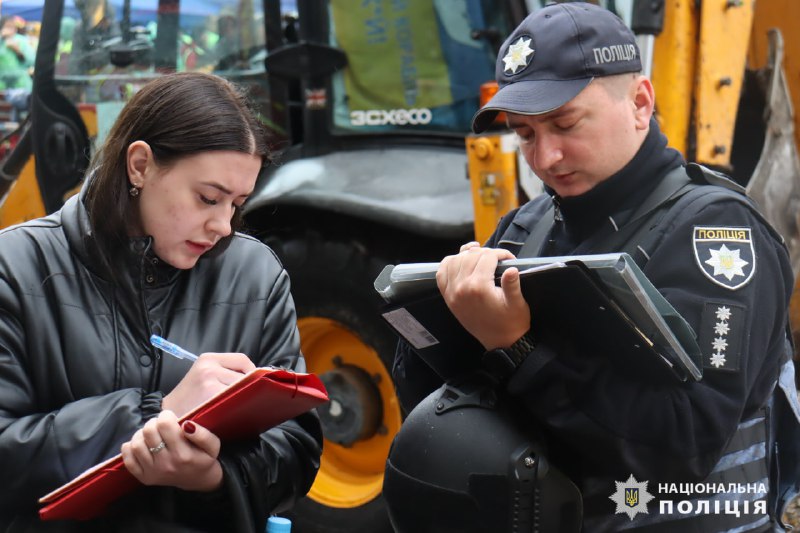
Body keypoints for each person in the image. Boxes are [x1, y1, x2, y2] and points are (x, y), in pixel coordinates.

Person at [388, 2, 800, 532]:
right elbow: (445, 411)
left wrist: (517, 347)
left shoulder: (716, 234)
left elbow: (687, 444)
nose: (546, 158)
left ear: (640, 103)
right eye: (526, 134)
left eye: (565, 123)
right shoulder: (526, 225)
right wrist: (435, 319)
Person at [0, 72, 322, 532]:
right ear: (140, 165)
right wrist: (156, 413)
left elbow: (297, 448)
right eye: (208, 198)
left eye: (237, 203)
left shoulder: (255, 275)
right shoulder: (14, 267)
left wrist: (214, 478)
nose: (223, 226)